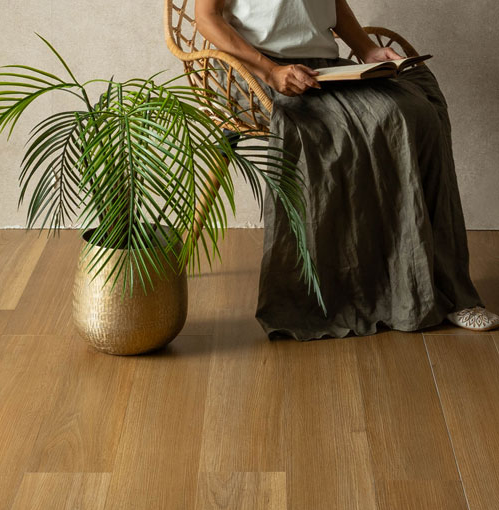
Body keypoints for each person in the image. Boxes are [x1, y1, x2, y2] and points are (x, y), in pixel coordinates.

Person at [195, 0, 499, 339]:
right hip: (252, 72)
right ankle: (357, 291)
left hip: (323, 70)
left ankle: (447, 290)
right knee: (375, 121)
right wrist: (270, 71)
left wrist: (367, 50)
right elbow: (206, 18)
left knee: (420, 114)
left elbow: (333, 4)